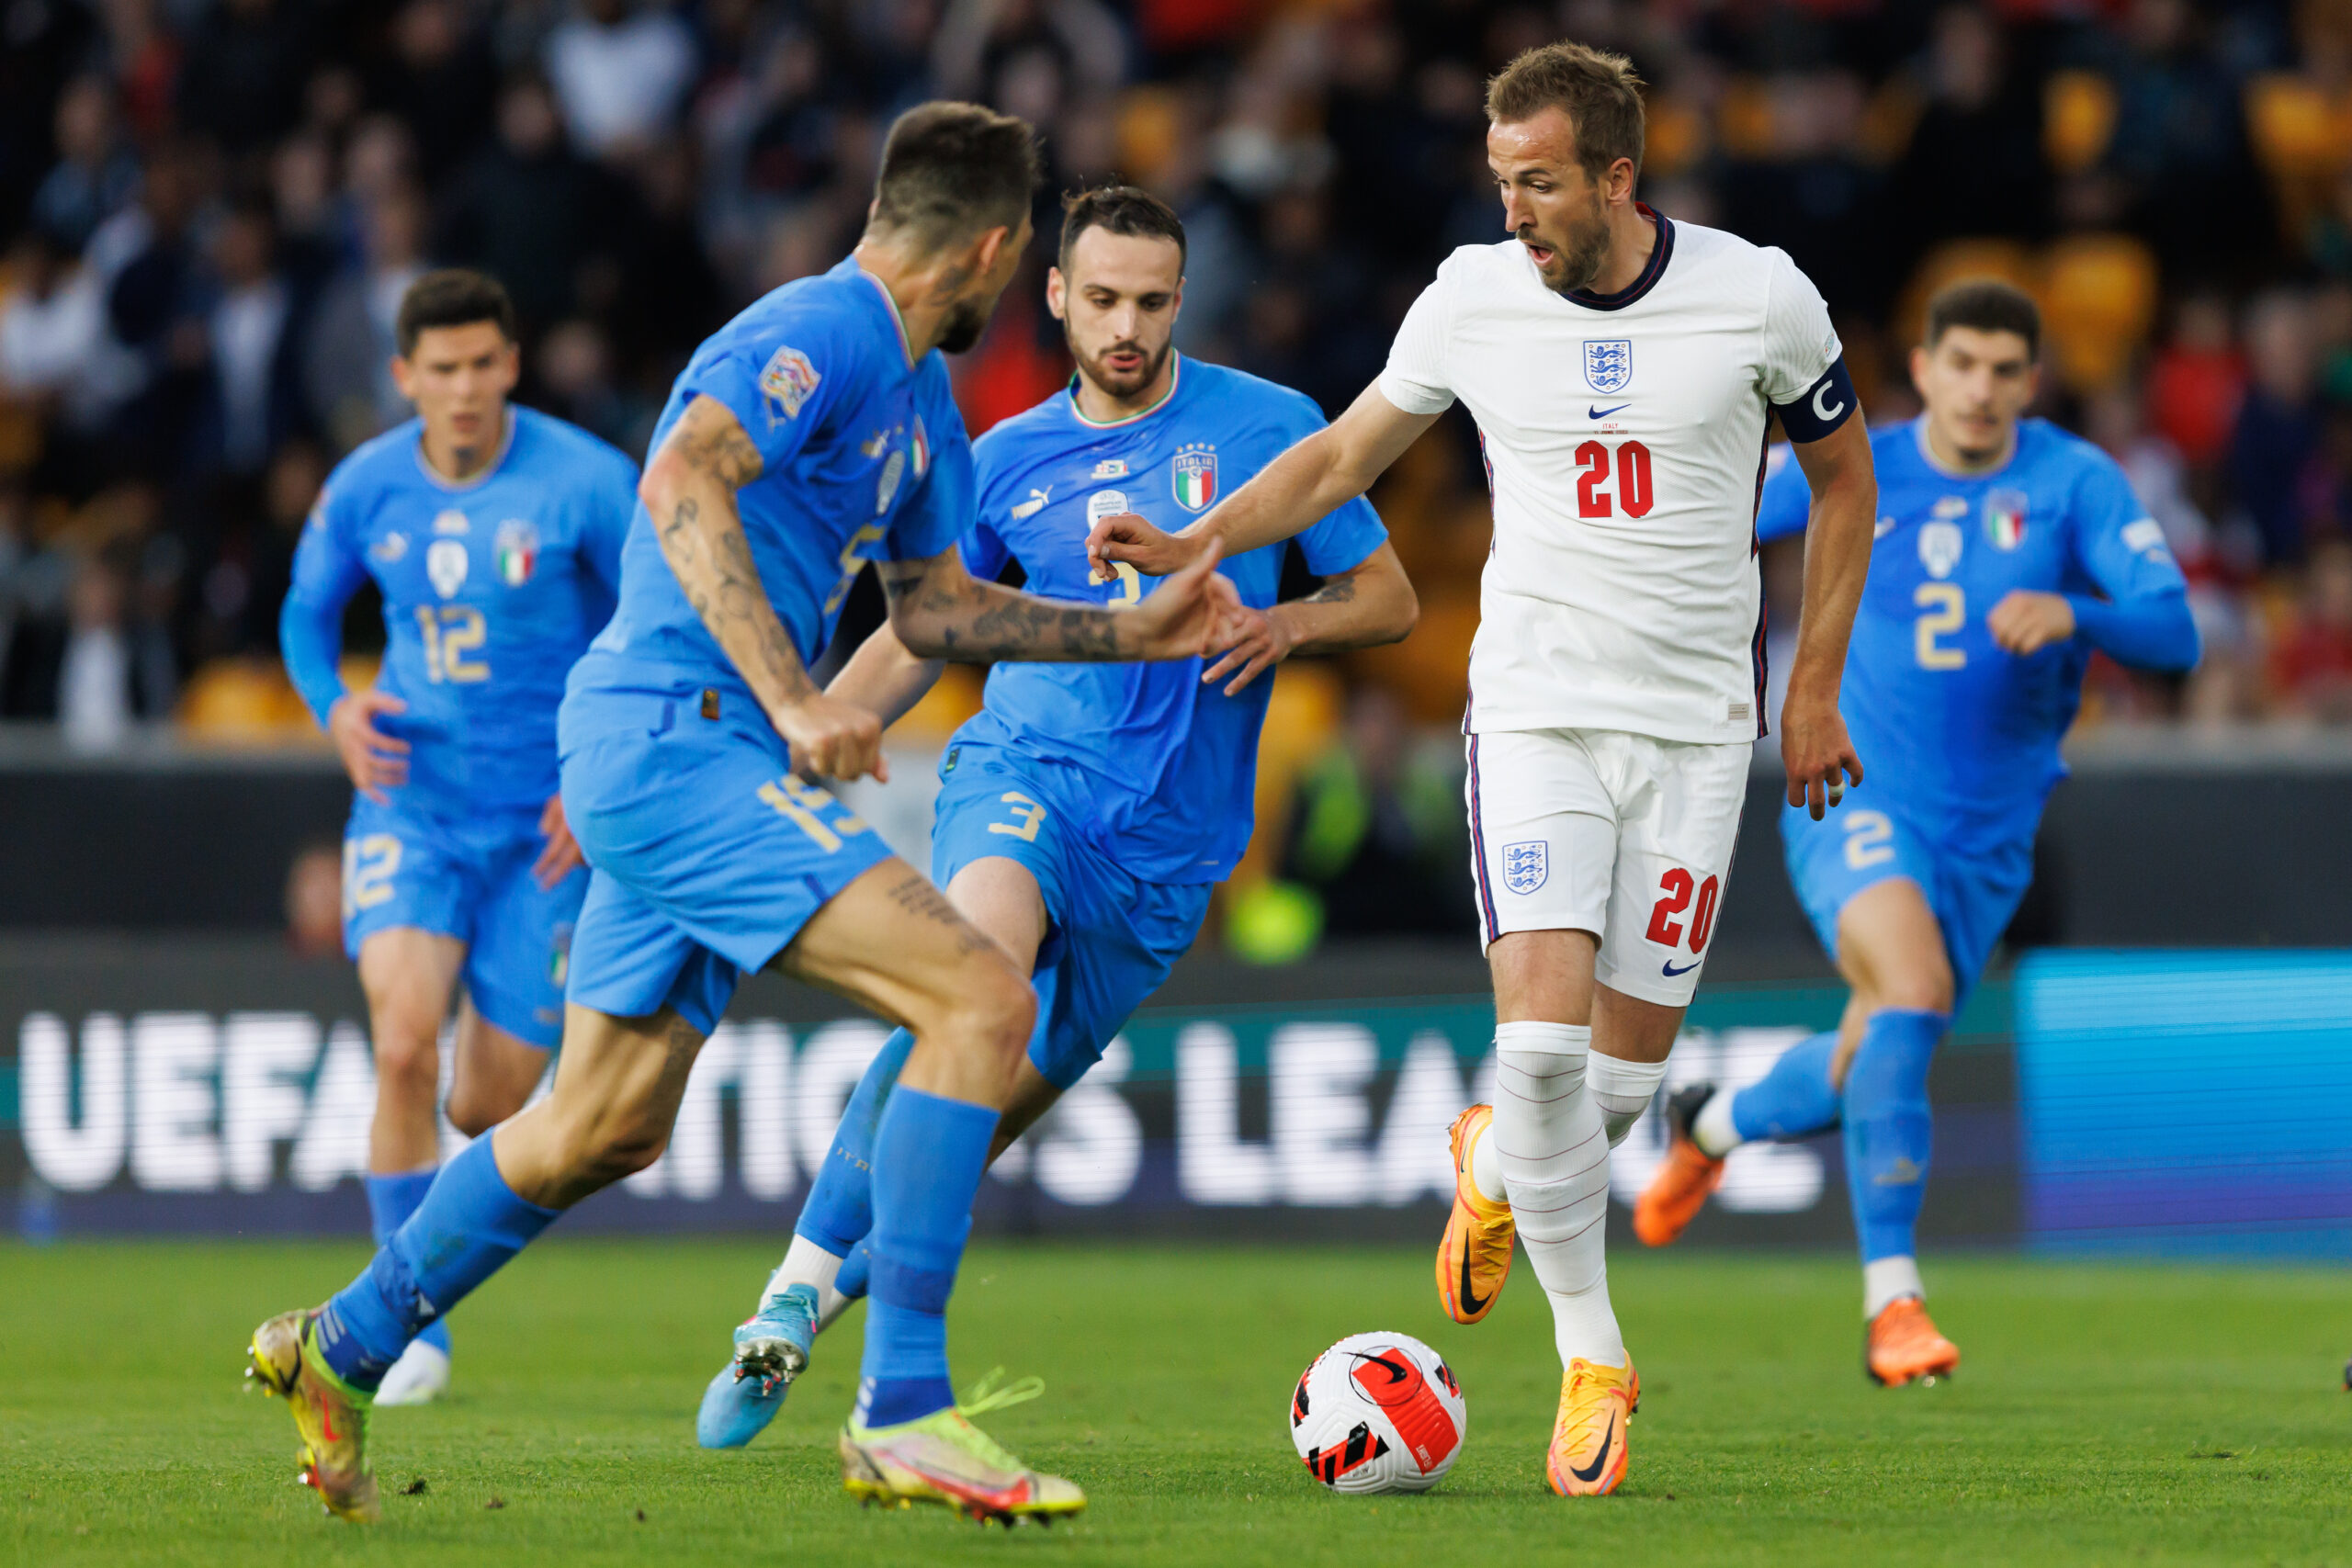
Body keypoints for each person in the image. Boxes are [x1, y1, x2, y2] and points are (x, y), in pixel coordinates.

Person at [246, 101, 1241, 1528]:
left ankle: (339, 1345)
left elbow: (940, 608)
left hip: (680, 756)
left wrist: (1134, 632)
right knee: (978, 992)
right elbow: (683, 473)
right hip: (685, 741)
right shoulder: (822, 329)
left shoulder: (920, 408)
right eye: (1019, 265)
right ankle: (902, 1405)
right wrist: (789, 696)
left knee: (600, 1123)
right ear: (995, 245)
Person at [1086, 40, 1877, 1497]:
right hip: (1533, 712)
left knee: (1613, 1096)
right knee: (1541, 1048)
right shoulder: (1469, 297)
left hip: (1698, 731)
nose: (1515, 208)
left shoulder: (1761, 294)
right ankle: (1594, 1355)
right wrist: (1203, 542)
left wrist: (1811, 679)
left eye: (1541, 182)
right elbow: (1338, 460)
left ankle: (1497, 1167)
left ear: (1617, 176)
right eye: (1502, 180)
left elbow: (1844, 481)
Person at [694, 184, 1417, 1450]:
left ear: (1180, 299)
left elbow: (1391, 595)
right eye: (1101, 299)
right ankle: (791, 1300)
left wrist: (1285, 619)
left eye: (1148, 300)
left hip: (1167, 858)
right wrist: (795, 727)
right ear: (1056, 297)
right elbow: (924, 631)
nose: (1125, 325)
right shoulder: (1003, 456)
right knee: (970, 984)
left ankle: (831, 1300)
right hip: (1026, 774)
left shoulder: (1272, 427)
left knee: (977, 1104)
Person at [1633, 280, 2199, 1384]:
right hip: (1852, 794)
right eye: (1962, 364)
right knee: (1910, 993)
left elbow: (2174, 635)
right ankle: (1893, 1305)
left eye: (2003, 370)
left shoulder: (2073, 482)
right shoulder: (1856, 461)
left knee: (1880, 1041)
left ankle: (1712, 1126)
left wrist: (2076, 611)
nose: (1980, 390)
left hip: (1988, 840)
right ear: (1924, 368)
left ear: (2029, 382)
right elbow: (1701, 530)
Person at [276, 268, 636, 1404]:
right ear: (406, 378)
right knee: (399, 1043)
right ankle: (401, 1331)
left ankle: (415, 1283)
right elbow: (304, 612)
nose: (466, 389)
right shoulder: (366, 486)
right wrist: (333, 704)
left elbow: (658, 624)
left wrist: (595, 773)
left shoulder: (586, 480)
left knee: (487, 1106)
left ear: (512, 366)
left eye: (485, 364)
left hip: (543, 832)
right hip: (412, 805)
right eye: (443, 370)